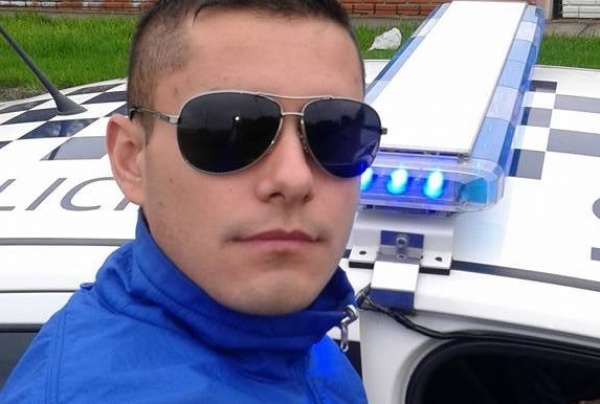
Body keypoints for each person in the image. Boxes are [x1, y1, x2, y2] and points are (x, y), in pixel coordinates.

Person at [0, 0, 385, 402]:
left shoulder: (300, 334)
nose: (294, 178)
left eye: (337, 131)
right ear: (131, 160)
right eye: (229, 130)